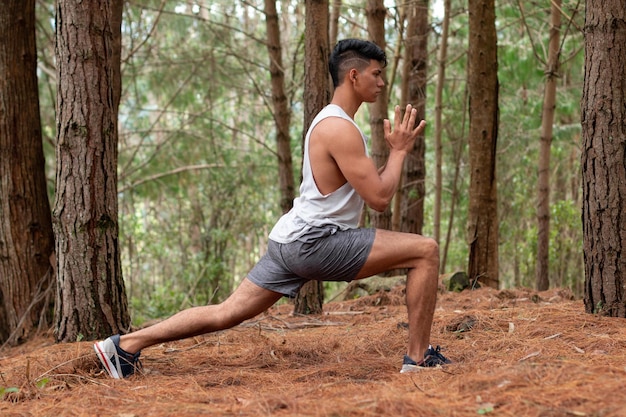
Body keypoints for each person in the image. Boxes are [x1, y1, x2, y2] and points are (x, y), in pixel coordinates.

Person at [94, 38, 450, 379]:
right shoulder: (340, 128)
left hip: (289, 240)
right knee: (425, 251)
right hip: (315, 242)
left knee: (226, 312)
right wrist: (400, 151)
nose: (382, 82)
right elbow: (380, 199)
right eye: (376, 73)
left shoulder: (328, 120)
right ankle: (418, 359)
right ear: (353, 76)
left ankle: (123, 346)